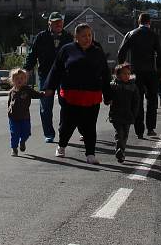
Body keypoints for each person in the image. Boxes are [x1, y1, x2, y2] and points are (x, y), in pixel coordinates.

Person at [44, 23, 112, 164]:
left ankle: (90, 154)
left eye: (89, 35)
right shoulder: (67, 50)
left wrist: (108, 95)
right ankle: (61, 146)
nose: (87, 38)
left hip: (91, 96)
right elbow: (56, 69)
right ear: (76, 37)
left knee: (89, 126)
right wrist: (49, 87)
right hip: (71, 96)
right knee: (67, 124)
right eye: (83, 36)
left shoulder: (98, 51)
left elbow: (105, 74)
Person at [117, 13, 161, 139]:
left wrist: (122, 68)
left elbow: (121, 51)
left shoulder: (131, 34)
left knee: (137, 101)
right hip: (151, 71)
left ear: (138, 22)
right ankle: (150, 128)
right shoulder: (154, 35)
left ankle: (139, 130)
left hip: (136, 71)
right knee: (152, 100)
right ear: (149, 22)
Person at [25, 12, 74, 143]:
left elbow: (74, 55)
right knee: (45, 106)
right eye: (55, 22)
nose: (58, 24)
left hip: (64, 76)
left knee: (67, 104)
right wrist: (27, 69)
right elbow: (32, 54)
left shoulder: (68, 37)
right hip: (46, 76)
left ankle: (63, 130)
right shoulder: (41, 37)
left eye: (60, 22)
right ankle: (49, 133)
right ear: (49, 23)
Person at [7, 68, 47, 157]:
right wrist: (9, 112)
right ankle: (14, 148)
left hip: (25, 117)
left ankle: (23, 141)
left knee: (26, 132)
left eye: (21, 78)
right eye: (17, 79)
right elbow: (9, 103)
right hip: (13, 117)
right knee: (14, 133)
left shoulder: (27, 90)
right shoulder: (11, 92)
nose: (19, 80)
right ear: (13, 80)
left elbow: (36, 94)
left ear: (25, 80)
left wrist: (43, 94)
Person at [108, 63, 140, 163]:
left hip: (128, 115)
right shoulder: (113, 85)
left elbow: (136, 102)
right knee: (119, 133)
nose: (127, 75)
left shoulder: (133, 87)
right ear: (118, 75)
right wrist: (107, 100)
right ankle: (119, 150)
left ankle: (121, 152)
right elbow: (108, 97)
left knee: (125, 134)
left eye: (128, 74)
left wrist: (134, 114)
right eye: (124, 74)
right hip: (116, 114)